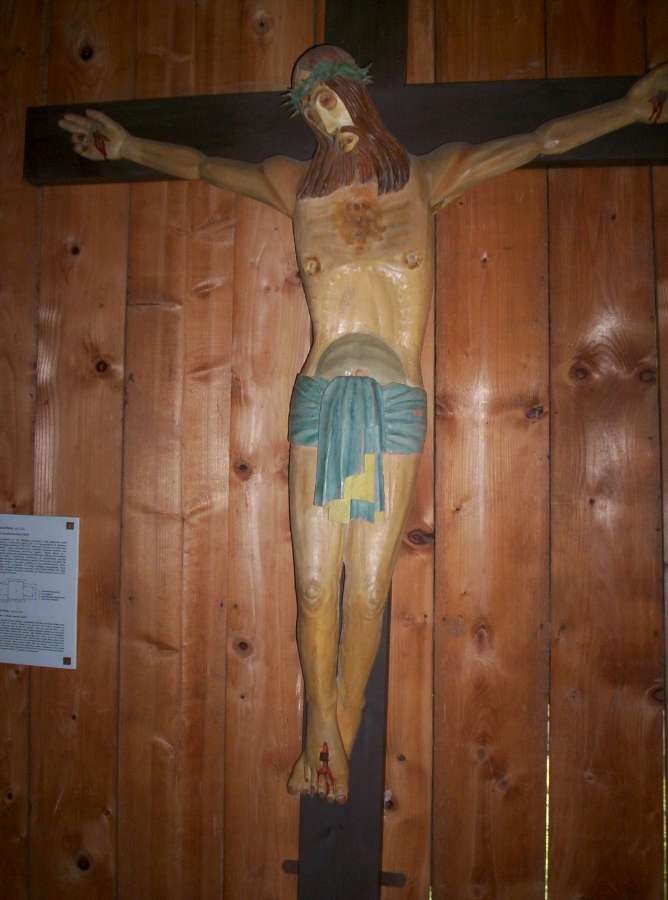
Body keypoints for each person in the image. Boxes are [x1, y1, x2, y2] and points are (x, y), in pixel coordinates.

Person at [59, 44, 667, 804]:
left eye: (330, 95)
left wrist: (628, 109)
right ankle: (323, 733)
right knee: (315, 585)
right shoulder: (293, 188)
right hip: (319, 397)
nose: (324, 115)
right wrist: (128, 147)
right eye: (309, 106)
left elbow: (540, 140)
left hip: (393, 402)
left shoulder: (428, 178)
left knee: (371, 585)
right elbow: (206, 167)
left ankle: (329, 736)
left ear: (357, 94)